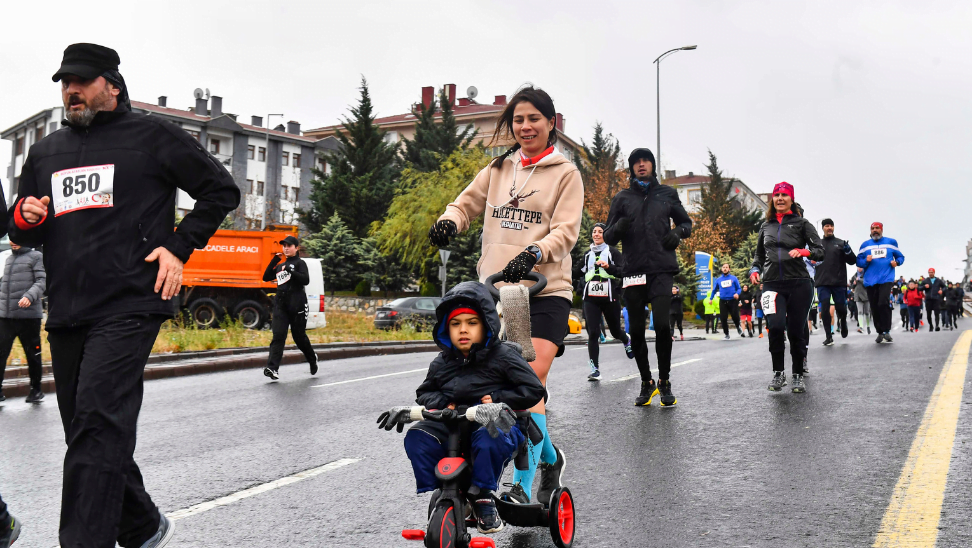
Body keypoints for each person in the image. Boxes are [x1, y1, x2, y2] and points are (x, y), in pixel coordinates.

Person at [9, 43, 240, 548]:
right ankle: (140, 524)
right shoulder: (47, 150)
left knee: (97, 420)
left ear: (111, 85)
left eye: (81, 80)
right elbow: (23, 228)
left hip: (132, 299)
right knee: (87, 429)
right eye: (64, 82)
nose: (70, 90)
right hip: (69, 307)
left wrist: (179, 247)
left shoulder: (152, 136)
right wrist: (24, 217)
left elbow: (221, 190)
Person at [427, 85, 581, 504]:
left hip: (545, 288)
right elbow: (464, 204)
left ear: (551, 123)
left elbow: (566, 231)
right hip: (499, 291)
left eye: (534, 118)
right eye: (518, 119)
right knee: (504, 383)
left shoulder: (566, 173)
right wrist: (449, 222)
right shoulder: (498, 169)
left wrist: (535, 252)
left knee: (532, 378)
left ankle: (521, 484)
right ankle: (549, 455)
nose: (526, 126)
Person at [382, 282, 544, 532]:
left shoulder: (503, 356)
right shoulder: (442, 361)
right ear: (446, 329)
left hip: (495, 422)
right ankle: (446, 489)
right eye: (455, 324)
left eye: (472, 322)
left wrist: (497, 397)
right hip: (454, 422)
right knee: (417, 437)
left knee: (489, 439)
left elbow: (534, 389)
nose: (463, 330)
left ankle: (482, 495)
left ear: (486, 325)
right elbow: (424, 392)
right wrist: (444, 404)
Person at [603, 147, 692, 407]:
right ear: (631, 168)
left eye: (646, 161)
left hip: (662, 269)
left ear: (652, 165)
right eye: (637, 162)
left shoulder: (667, 194)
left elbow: (686, 223)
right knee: (636, 331)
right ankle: (647, 381)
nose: (642, 165)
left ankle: (664, 381)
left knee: (663, 325)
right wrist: (618, 227)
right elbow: (607, 236)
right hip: (633, 271)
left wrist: (677, 234)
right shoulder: (622, 198)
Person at [749, 182, 823, 393]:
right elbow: (759, 256)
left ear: (791, 199)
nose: (780, 198)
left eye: (784, 195)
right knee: (776, 326)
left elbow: (820, 251)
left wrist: (804, 252)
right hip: (772, 284)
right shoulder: (766, 226)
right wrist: (754, 270)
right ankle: (778, 373)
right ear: (772, 200)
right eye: (777, 195)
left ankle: (798, 375)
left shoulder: (802, 224)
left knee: (796, 331)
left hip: (799, 283)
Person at [573, 223, 633, 380]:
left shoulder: (613, 252)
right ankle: (595, 369)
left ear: (606, 235)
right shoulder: (587, 255)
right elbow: (575, 272)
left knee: (614, 331)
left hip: (609, 297)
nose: (597, 234)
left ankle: (626, 339)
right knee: (593, 333)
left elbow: (623, 271)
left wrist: (609, 267)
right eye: (594, 232)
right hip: (590, 298)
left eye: (600, 232)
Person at [262, 236, 319, 381]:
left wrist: (291, 271)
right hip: (281, 305)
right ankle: (272, 368)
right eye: (284, 246)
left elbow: (305, 280)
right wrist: (275, 260)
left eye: (289, 246)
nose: (286, 248)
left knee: (298, 337)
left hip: (297, 304)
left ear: (296, 248)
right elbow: (266, 277)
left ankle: (312, 359)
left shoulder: (300, 263)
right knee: (278, 336)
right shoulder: (281, 266)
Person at [0, 241, 45, 403]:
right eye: (11, 239)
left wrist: (29, 296)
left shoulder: (36, 257)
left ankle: (36, 390)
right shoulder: (8, 259)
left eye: (16, 239)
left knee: (33, 355)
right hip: (6, 317)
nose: (12, 242)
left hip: (29, 317)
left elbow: (41, 281)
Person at [857, 222, 905, 343]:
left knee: (883, 303)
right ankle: (880, 332)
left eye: (877, 228)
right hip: (870, 281)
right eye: (873, 228)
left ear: (882, 230)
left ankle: (887, 330)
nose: (875, 230)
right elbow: (859, 262)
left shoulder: (891, 242)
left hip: (886, 278)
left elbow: (900, 257)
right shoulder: (865, 245)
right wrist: (866, 261)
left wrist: (897, 262)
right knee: (874, 306)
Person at [813, 218, 857, 346]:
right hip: (822, 282)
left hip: (838, 282)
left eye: (831, 226)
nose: (829, 228)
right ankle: (828, 336)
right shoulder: (817, 244)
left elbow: (852, 261)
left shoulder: (841, 243)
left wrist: (848, 251)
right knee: (825, 309)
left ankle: (843, 322)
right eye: (826, 226)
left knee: (841, 309)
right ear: (823, 228)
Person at [709, 263, 743, 340]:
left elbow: (739, 288)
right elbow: (714, 290)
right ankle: (726, 334)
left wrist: (737, 294)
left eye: (726, 267)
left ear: (729, 269)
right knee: (723, 318)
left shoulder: (734, 278)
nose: (725, 268)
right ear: (722, 269)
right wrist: (711, 298)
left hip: (732, 300)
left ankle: (738, 326)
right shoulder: (718, 280)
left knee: (735, 316)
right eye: (723, 267)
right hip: (723, 301)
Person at [921, 268, 946, 332]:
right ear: (928, 273)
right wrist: (924, 287)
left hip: (936, 299)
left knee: (937, 313)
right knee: (928, 314)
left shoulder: (938, 280)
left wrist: (941, 290)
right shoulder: (925, 280)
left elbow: (945, 287)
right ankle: (931, 325)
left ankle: (937, 325)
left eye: (932, 272)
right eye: (929, 272)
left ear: (934, 273)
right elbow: (919, 288)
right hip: (928, 299)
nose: (930, 273)